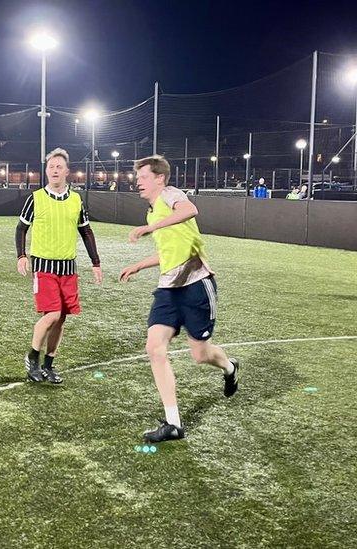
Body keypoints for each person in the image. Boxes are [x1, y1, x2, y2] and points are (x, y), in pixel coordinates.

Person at [120, 155, 239, 443]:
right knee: (154, 348)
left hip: (196, 285)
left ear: (159, 178)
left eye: (144, 176)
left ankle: (230, 367)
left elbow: (190, 209)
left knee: (200, 354)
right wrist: (138, 265)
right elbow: (168, 252)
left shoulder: (171, 195)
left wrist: (151, 227)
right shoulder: (152, 212)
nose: (138, 181)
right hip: (168, 289)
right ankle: (173, 423)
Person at [16, 148, 103, 383]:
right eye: (50, 166)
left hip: (68, 268)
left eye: (58, 166)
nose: (54, 170)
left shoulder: (76, 200)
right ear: (46, 170)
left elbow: (85, 231)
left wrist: (96, 263)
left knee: (61, 317)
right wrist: (21, 256)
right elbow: (21, 228)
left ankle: (48, 365)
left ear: (67, 171)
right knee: (52, 314)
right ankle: (32, 358)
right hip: (44, 267)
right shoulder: (35, 198)